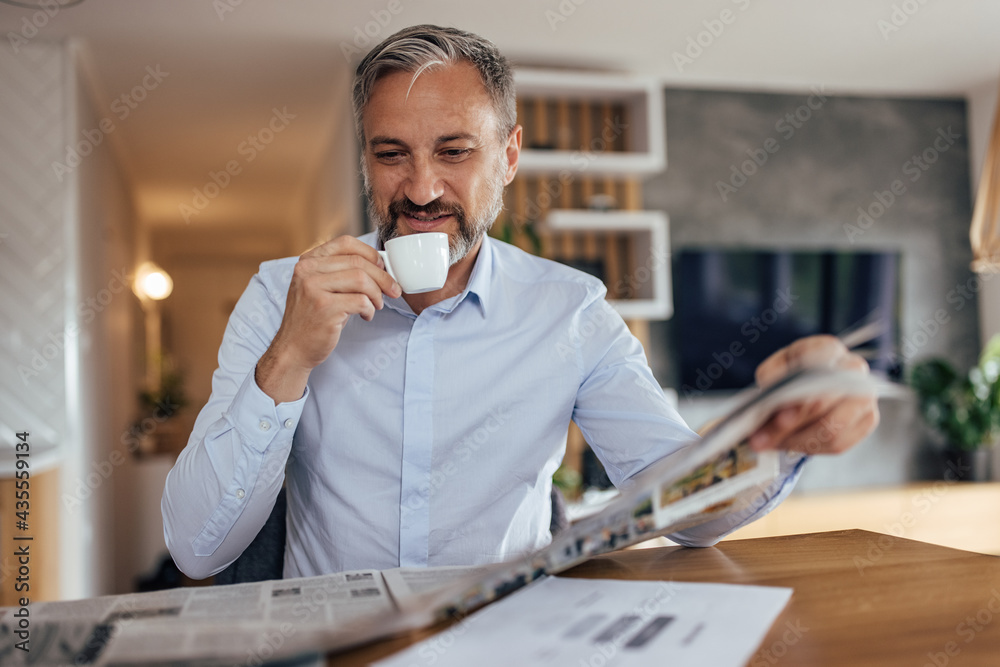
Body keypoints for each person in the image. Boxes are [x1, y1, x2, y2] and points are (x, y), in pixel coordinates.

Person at [161, 24, 878, 580]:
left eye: (453, 151)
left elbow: (680, 505)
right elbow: (198, 548)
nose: (419, 188)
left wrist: (779, 436)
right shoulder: (282, 293)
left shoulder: (570, 312)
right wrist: (288, 357)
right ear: (365, 162)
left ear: (507, 156)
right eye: (390, 154)